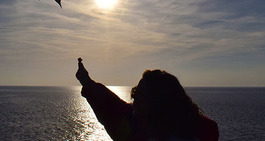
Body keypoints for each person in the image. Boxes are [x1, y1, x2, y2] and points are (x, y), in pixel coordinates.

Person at [76, 58, 219, 141]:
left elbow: (110, 106)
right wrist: (85, 80)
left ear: (157, 102)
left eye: (137, 92)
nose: (133, 97)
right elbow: (108, 103)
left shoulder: (202, 131)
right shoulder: (130, 121)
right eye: (134, 91)